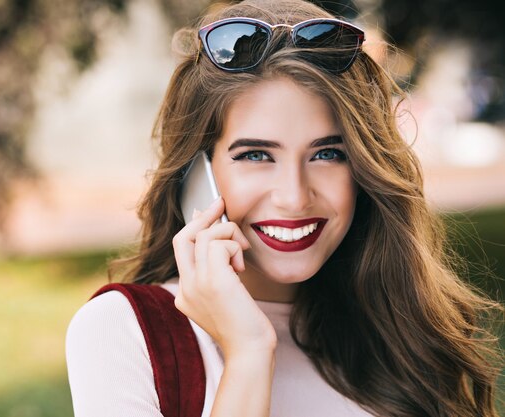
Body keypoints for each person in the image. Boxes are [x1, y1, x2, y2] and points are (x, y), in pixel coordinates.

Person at [65, 0, 502, 416]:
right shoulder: (124, 332)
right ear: (196, 175)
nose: (294, 197)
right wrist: (249, 353)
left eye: (327, 154)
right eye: (256, 155)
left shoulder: (401, 332)